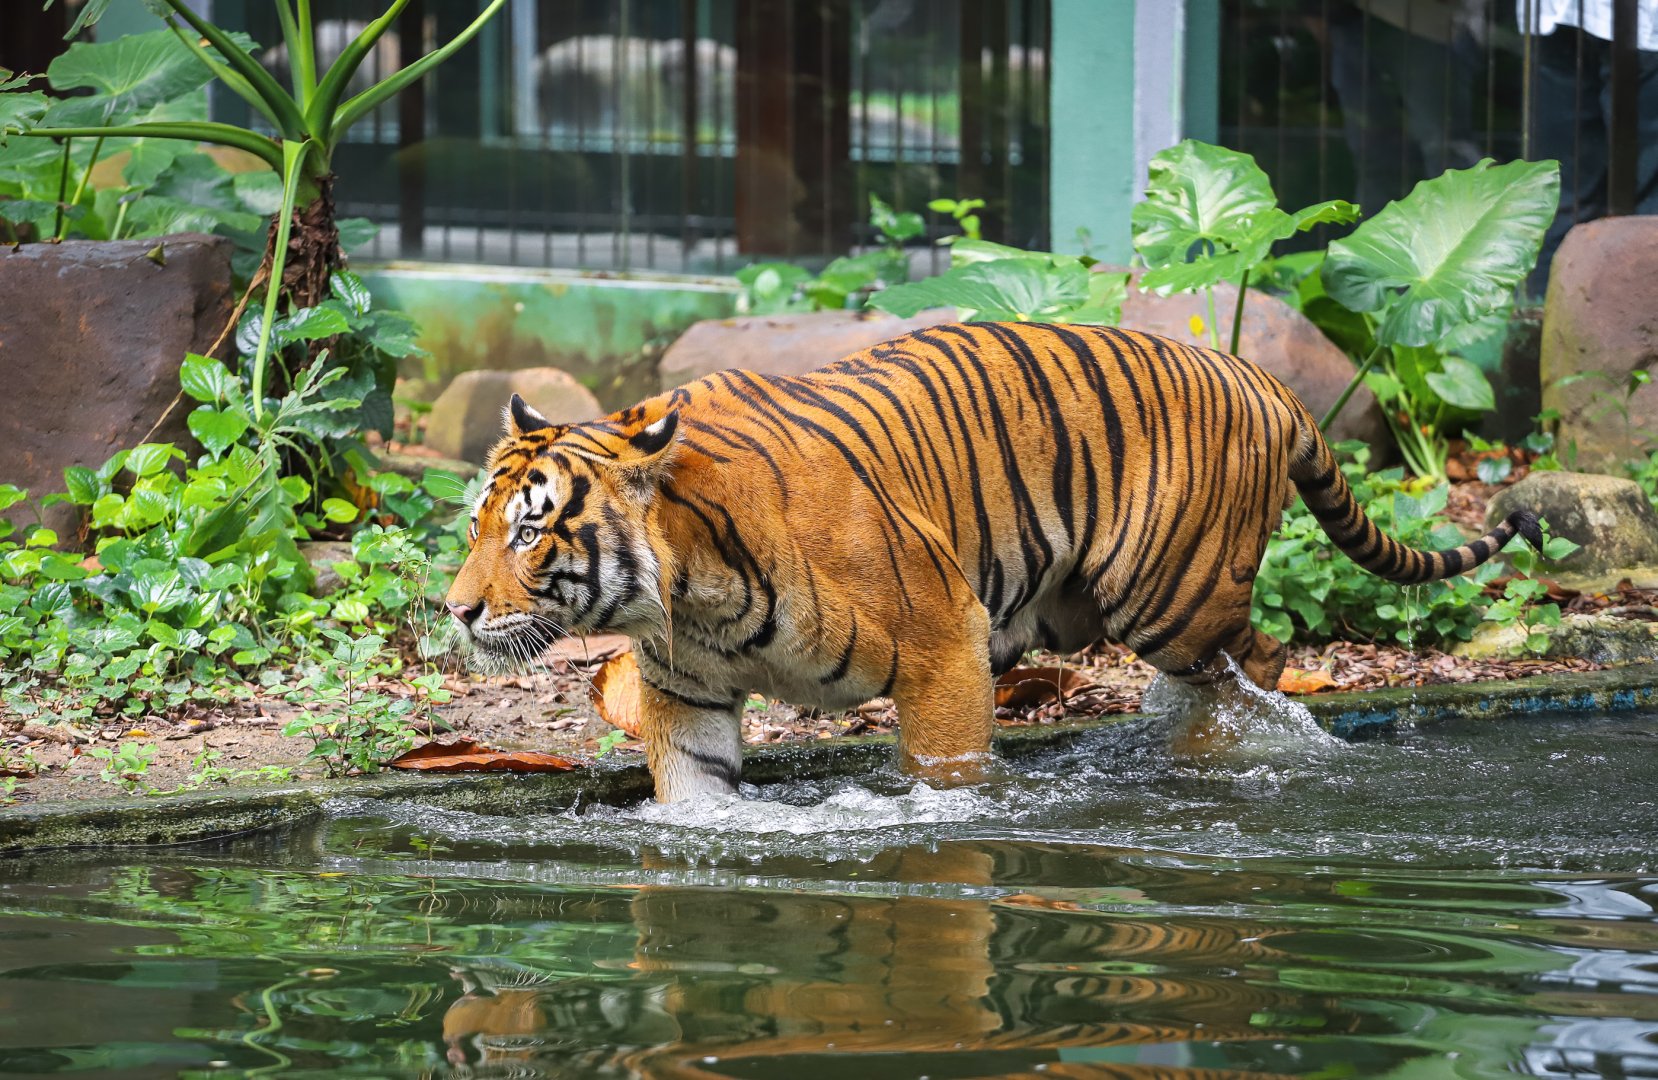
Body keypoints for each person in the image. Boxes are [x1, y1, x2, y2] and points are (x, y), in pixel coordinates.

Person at [1522, 0, 1658, 295]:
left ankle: (1541, 328)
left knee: (1565, 198)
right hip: (1563, 18)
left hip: (1630, 23)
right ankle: (1540, 326)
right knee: (1558, 197)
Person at [1327, 1, 1486, 219]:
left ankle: (1465, 246)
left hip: (1429, 24)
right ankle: (1373, 250)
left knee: (1447, 153)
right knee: (1374, 157)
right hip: (1352, 18)